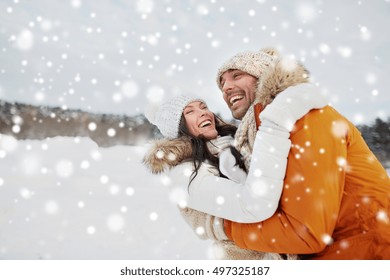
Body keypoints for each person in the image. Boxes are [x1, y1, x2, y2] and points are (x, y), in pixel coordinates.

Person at [212, 47, 390, 259]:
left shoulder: (306, 116)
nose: (226, 87)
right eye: (222, 83)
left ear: (263, 76)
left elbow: (306, 233)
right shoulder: (266, 134)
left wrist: (224, 227)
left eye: (236, 75)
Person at [143, 92, 326, 259]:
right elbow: (252, 204)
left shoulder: (237, 142)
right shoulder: (185, 173)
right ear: (178, 128)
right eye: (190, 112)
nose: (203, 113)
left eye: (203, 106)